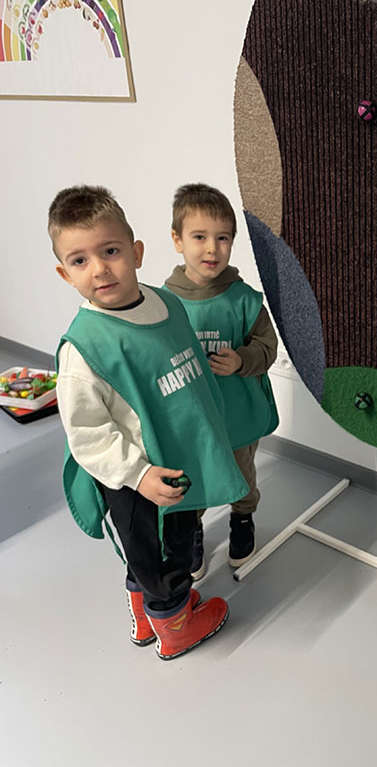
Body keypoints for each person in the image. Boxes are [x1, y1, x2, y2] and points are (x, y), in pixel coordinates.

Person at [50, 185, 250, 660]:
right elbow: (87, 435)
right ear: (65, 274)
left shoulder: (166, 303)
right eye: (79, 261)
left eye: (110, 251)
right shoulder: (84, 350)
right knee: (162, 552)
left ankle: (148, 614)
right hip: (138, 477)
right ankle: (174, 624)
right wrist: (138, 475)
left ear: (136, 252)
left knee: (157, 549)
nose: (99, 269)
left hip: (176, 458)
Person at [165, 183, 278, 578]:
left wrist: (242, 359)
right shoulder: (164, 303)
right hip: (190, 419)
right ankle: (192, 529)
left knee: (241, 473)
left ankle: (242, 520)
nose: (212, 249)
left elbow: (267, 348)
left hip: (237, 415)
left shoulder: (245, 299)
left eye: (223, 238)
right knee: (192, 478)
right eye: (199, 237)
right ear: (177, 240)